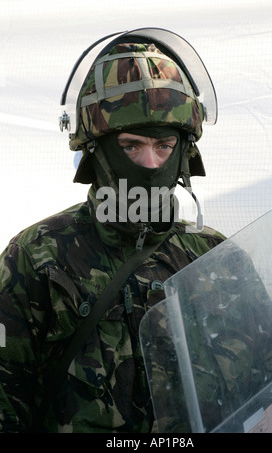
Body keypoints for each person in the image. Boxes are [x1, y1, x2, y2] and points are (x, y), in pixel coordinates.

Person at [0, 28, 226, 433]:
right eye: (130, 146)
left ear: (185, 153)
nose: (151, 163)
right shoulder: (37, 257)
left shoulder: (214, 257)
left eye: (164, 147)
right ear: (96, 150)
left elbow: (271, 385)